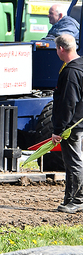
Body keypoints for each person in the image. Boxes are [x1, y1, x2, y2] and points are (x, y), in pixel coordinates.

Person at [51, 34, 83, 214]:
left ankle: (77, 199)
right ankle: (70, 198)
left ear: (61, 49)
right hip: (79, 122)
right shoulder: (81, 65)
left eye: (56, 48)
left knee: (74, 163)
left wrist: (58, 129)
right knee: (76, 161)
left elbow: (67, 103)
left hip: (72, 126)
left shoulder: (70, 72)